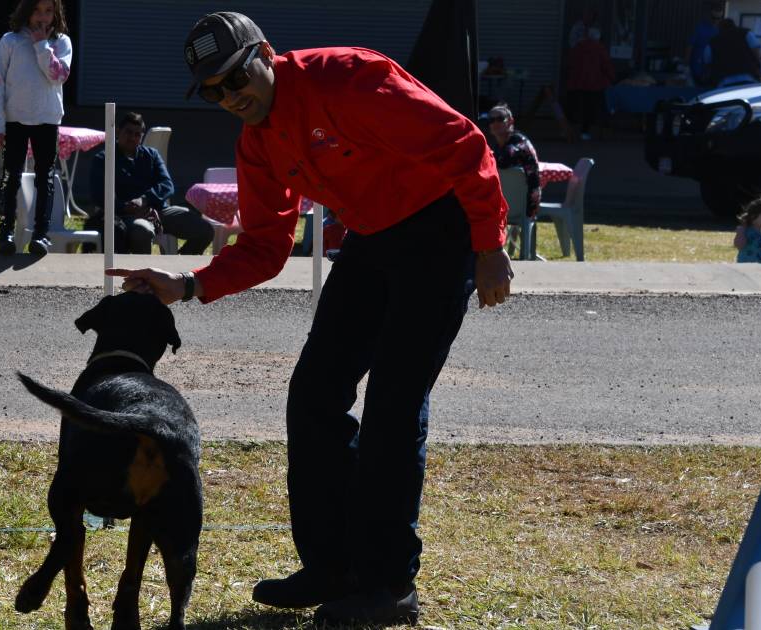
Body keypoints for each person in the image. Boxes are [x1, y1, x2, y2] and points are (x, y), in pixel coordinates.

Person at [106, 12, 513, 626]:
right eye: (212, 91)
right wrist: (186, 285)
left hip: (440, 232)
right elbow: (266, 247)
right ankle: (335, 565)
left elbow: (464, 144)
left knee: (393, 408)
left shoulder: (350, 79)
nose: (229, 96)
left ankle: (390, 584)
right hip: (374, 239)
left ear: (265, 54)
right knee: (315, 394)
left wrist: (490, 246)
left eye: (235, 77)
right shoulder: (258, 141)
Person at [0, 0, 72, 256]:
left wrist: (41, 45)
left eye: (48, 11)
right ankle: (6, 231)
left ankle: (41, 234)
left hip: (47, 118)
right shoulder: (10, 41)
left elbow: (58, 75)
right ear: (27, 11)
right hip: (15, 119)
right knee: (11, 176)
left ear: (56, 14)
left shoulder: (62, 42)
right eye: (37, 10)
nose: (42, 17)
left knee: (44, 177)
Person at [87, 112, 214, 255]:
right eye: (128, 132)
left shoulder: (151, 155)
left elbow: (167, 185)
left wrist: (145, 200)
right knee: (142, 231)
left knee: (205, 230)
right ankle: (143, 275)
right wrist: (127, 207)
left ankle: (178, 266)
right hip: (123, 215)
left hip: (157, 210)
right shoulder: (103, 159)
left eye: (137, 134)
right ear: (118, 131)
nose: (132, 138)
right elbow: (98, 195)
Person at [486, 104, 541, 219]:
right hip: (506, 204)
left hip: (524, 206)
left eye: (500, 119)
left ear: (510, 121)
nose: (495, 123)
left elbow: (504, 161)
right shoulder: (499, 146)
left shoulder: (518, 142)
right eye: (491, 120)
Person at [566, 27, 614, 141]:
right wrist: (612, 78)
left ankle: (568, 130)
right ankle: (585, 132)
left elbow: (569, 63)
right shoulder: (600, 49)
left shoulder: (578, 47)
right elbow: (606, 65)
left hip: (576, 83)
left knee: (574, 107)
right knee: (589, 109)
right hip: (593, 85)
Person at [705, 18, 761, 88]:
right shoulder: (746, 34)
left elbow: (708, 61)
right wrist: (758, 69)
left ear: (719, 28)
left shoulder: (713, 42)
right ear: (734, 25)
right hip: (748, 77)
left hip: (724, 80)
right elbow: (756, 53)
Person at [688, 2, 724, 87]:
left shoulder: (722, 30)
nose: (716, 20)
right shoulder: (700, 27)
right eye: (713, 18)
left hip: (715, 67)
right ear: (709, 15)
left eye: (718, 18)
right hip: (698, 66)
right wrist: (686, 63)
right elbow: (690, 45)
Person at [734, 196, 761, 263]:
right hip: (745, 268)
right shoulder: (746, 231)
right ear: (753, 218)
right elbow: (739, 246)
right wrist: (740, 232)